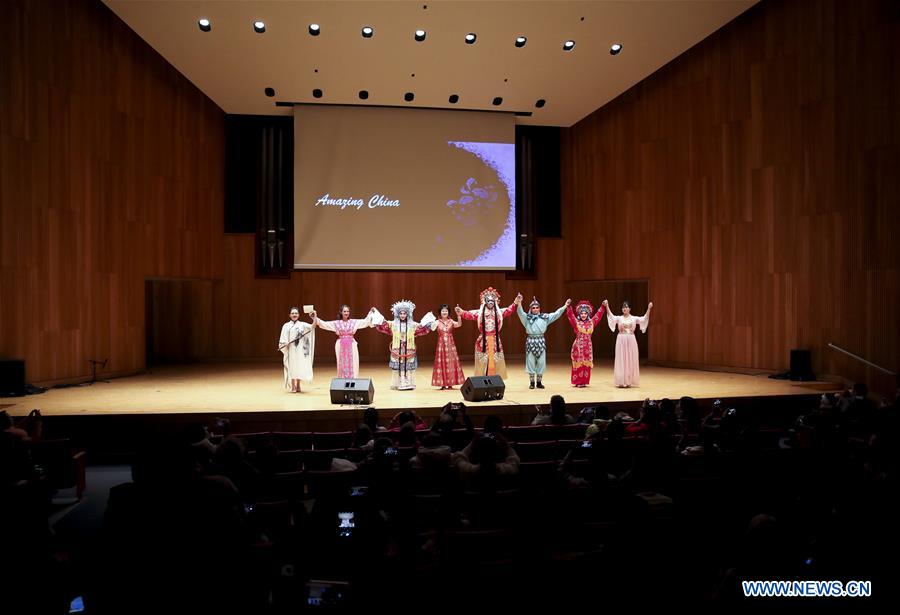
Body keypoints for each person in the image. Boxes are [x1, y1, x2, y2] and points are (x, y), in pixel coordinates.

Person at [456, 287, 520, 379]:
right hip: (483, 340)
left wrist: (515, 302)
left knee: (495, 360)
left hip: (495, 340)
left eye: (492, 301)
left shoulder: (498, 312)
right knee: (483, 360)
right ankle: (482, 379)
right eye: (488, 301)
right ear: (485, 302)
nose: (490, 303)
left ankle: (495, 378)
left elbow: (509, 310)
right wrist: (461, 312)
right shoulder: (480, 312)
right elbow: (469, 315)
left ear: (495, 302)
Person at [373, 300, 435, 390]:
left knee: (408, 366)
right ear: (398, 314)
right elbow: (383, 324)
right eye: (401, 313)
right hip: (397, 347)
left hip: (409, 347)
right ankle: (399, 383)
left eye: (404, 313)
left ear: (407, 314)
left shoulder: (412, 325)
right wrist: (376, 313)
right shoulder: (393, 324)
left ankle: (408, 383)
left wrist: (429, 319)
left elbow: (422, 327)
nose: (402, 315)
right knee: (399, 365)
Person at [517, 296, 570, 389]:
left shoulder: (545, 317)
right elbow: (520, 312)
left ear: (539, 308)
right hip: (531, 341)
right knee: (530, 361)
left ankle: (539, 382)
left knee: (541, 362)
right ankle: (532, 382)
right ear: (530, 309)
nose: (535, 309)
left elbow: (556, 314)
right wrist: (519, 302)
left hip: (541, 341)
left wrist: (565, 306)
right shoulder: (527, 318)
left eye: (537, 307)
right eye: (533, 308)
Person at [313, 304, 376, 379]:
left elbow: (365, 322)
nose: (346, 313)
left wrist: (371, 312)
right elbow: (324, 324)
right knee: (341, 363)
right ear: (341, 312)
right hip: (340, 344)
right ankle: (342, 380)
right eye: (344, 311)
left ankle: (353, 380)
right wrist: (314, 317)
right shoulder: (336, 323)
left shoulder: (354, 322)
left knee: (353, 362)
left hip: (351, 344)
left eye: (347, 311)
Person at [604, 299, 652, 388]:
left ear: (630, 309)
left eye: (626, 307)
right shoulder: (619, 318)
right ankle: (621, 381)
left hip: (631, 340)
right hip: (621, 339)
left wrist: (649, 309)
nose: (624, 308)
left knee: (630, 359)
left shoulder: (634, 318)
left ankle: (629, 381)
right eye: (623, 307)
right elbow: (611, 316)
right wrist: (607, 306)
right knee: (621, 359)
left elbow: (644, 318)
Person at [566, 299, 606, 387]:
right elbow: (571, 315)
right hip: (578, 346)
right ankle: (578, 382)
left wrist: (603, 306)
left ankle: (584, 381)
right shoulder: (576, 322)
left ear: (588, 314)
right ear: (579, 314)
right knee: (578, 363)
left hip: (588, 346)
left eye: (585, 313)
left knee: (586, 364)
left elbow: (598, 316)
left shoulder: (591, 322)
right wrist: (568, 306)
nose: (583, 315)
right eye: (581, 313)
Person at [278, 307, 315, 392]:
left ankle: (298, 385)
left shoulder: (302, 324)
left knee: (299, 366)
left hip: (300, 350)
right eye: (293, 313)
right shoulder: (286, 326)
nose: (294, 315)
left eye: (296, 313)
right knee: (292, 367)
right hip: (290, 350)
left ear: (299, 315)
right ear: (290, 315)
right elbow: (283, 338)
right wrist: (285, 343)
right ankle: (293, 386)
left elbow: (312, 326)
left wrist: (314, 316)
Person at [431, 303, 466, 389]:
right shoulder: (437, 322)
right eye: (443, 311)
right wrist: (431, 322)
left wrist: (459, 316)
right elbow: (432, 329)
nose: (444, 312)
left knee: (451, 363)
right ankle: (443, 384)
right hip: (441, 345)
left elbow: (459, 324)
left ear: (448, 312)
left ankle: (450, 383)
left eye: (446, 311)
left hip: (450, 345)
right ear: (440, 312)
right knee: (441, 362)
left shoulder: (451, 321)